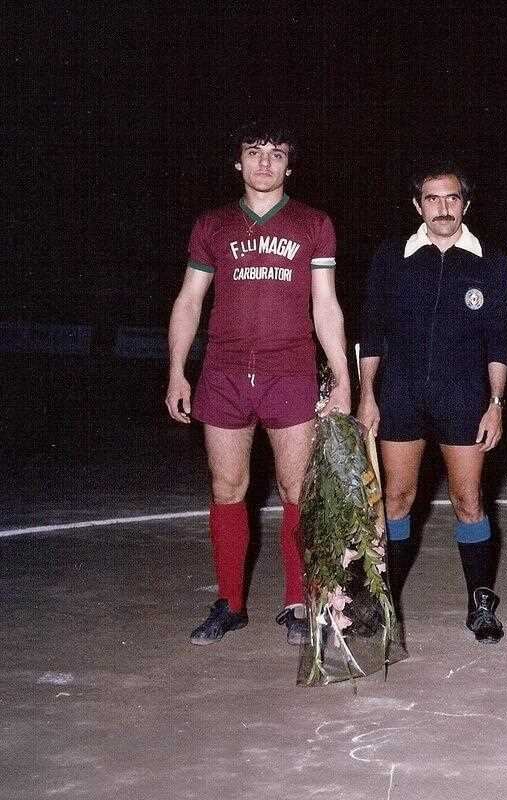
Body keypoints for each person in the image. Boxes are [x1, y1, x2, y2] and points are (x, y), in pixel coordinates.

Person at [166, 121, 351, 647]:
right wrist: (177, 370)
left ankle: (298, 600)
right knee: (227, 488)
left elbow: (326, 305)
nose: (264, 163)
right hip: (223, 372)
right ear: (238, 161)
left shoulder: (313, 223)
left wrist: (341, 379)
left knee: (297, 488)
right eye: (253, 152)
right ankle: (230, 601)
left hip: (289, 369)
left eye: (275, 154)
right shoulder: (213, 224)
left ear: (290, 164)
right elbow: (188, 301)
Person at [357, 161, 507, 644]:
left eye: (451, 199)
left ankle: (480, 602)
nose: (442, 209)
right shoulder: (392, 257)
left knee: (469, 500)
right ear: (417, 205)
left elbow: (499, 341)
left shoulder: (490, 261)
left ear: (465, 203)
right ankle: (384, 603)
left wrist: (496, 403)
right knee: (397, 500)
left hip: (464, 397)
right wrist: (367, 395)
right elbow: (371, 332)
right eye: (432, 199)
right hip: (401, 395)